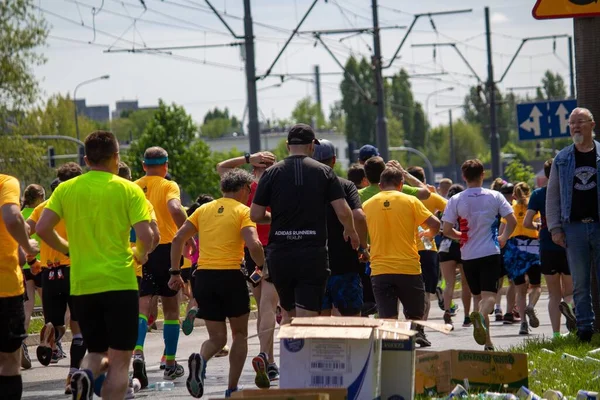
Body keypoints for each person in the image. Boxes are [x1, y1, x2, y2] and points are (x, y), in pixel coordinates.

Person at [36, 130, 153, 399]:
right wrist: (141, 254)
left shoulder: (66, 189)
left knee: (97, 352)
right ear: (116, 157)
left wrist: (68, 249)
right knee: (120, 359)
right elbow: (146, 236)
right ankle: (87, 378)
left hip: (83, 285)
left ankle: (84, 375)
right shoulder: (129, 189)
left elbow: (42, 228)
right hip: (120, 283)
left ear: (87, 159)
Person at [169, 169, 265, 399]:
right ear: (243, 189)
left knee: (217, 338)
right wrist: (262, 266)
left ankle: (200, 361)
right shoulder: (243, 211)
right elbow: (253, 244)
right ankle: (231, 388)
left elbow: (178, 238)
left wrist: (174, 272)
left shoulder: (203, 209)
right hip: (231, 276)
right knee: (240, 334)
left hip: (203, 277)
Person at [250, 123, 360, 325]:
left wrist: (277, 219)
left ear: (287, 145)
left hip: (280, 254)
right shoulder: (325, 172)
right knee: (308, 317)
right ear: (312, 146)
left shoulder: (271, 173)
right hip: (312, 253)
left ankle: (289, 355)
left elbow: (256, 214)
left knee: (288, 314)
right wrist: (351, 231)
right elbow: (343, 210)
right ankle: (305, 355)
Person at [216, 150, 281, 387]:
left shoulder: (248, 187)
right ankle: (267, 357)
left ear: (254, 169)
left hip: (250, 253)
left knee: (262, 304)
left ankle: (268, 357)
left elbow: (221, 167)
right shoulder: (277, 186)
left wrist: (247, 158)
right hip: (270, 250)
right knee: (268, 307)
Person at [442, 159, 516, 351]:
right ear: (483, 174)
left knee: (477, 297)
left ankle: (488, 343)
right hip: (490, 252)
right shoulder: (495, 196)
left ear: (464, 177)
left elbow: (446, 229)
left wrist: (461, 236)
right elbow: (512, 220)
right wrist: (504, 237)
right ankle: (481, 316)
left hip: (468, 255)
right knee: (490, 298)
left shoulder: (456, 199)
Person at [363, 166, 440, 347]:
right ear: (401, 185)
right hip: (408, 268)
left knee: (388, 317)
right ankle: (414, 338)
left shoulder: (367, 204)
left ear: (380, 185)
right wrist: (428, 234)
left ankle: (392, 351)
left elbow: (358, 227)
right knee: (415, 314)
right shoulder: (410, 201)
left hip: (380, 269)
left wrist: (363, 248)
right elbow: (435, 223)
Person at [133, 146, 192, 385]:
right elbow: (175, 208)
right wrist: (187, 234)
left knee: (143, 305)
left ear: (144, 165)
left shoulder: (133, 186)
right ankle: (170, 363)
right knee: (170, 309)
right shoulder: (169, 185)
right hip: (168, 249)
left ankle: (137, 352)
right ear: (166, 165)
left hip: (142, 249)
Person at [27, 162, 86, 393]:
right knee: (79, 328)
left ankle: (51, 332)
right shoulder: (78, 204)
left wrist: (32, 260)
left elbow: (26, 229)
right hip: (74, 269)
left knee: (57, 323)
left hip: (49, 272)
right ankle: (72, 376)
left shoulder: (43, 207)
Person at [547, 107, 600, 342]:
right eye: (572, 124)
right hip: (574, 228)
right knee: (579, 283)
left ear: (592, 125)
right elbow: (553, 196)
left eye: (580, 122)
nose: (576, 127)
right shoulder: (563, 158)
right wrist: (555, 228)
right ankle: (585, 329)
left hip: (598, 225)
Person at [312, 139, 369, 319]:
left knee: (319, 320)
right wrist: (362, 246)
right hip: (345, 263)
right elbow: (359, 216)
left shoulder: (303, 188)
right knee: (351, 319)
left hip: (314, 264)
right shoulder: (345, 185)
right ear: (334, 160)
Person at [525, 159, 575, 338]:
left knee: (554, 295)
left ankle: (555, 334)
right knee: (569, 292)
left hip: (547, 246)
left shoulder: (538, 194)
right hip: (568, 245)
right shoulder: (569, 191)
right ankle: (569, 307)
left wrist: (539, 226)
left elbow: (526, 222)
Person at [0, 173, 39, 400]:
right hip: (5, 288)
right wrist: (28, 246)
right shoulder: (6, 182)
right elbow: (13, 218)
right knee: (8, 362)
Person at [500, 182, 542, 336]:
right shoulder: (533, 208)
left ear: (514, 195)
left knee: (519, 289)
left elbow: (502, 231)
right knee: (536, 285)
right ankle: (531, 305)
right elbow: (538, 225)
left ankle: (523, 322)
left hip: (514, 248)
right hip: (532, 247)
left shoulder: (509, 208)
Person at [406, 166, 447, 321]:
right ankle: (421, 328)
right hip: (428, 249)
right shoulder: (431, 196)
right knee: (426, 294)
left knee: (407, 293)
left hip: (407, 249)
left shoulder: (401, 195)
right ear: (423, 180)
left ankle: (408, 328)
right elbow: (452, 206)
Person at [438, 184, 473, 329]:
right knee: (466, 284)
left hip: (445, 246)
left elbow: (441, 229)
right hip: (462, 244)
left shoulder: (444, 209)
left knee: (449, 283)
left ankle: (447, 311)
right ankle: (466, 316)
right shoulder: (465, 207)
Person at [19, 183, 45, 370]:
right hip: (40, 263)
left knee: (27, 309)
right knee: (50, 308)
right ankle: (53, 343)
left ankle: (23, 342)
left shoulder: (20, 216)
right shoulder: (41, 214)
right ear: (40, 198)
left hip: (24, 266)